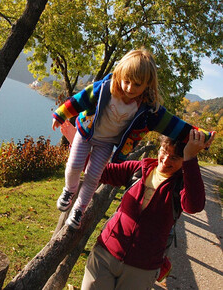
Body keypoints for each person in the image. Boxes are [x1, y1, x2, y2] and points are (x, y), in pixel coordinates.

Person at [52, 48, 212, 229]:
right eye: (126, 81)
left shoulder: (149, 111)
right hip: (85, 134)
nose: (129, 88)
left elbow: (174, 125)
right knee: (74, 165)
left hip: (106, 143)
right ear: (120, 73)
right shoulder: (104, 89)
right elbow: (79, 100)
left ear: (147, 84)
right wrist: (61, 113)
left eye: (137, 85)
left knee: (93, 176)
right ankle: (69, 190)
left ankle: (79, 209)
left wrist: (203, 136)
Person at [81, 129, 215, 290]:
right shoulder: (139, 169)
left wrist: (191, 158)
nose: (165, 160)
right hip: (104, 255)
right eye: (164, 151)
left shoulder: (181, 185)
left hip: (142, 269)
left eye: (174, 157)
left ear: (183, 160)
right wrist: (78, 140)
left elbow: (194, 206)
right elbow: (101, 172)